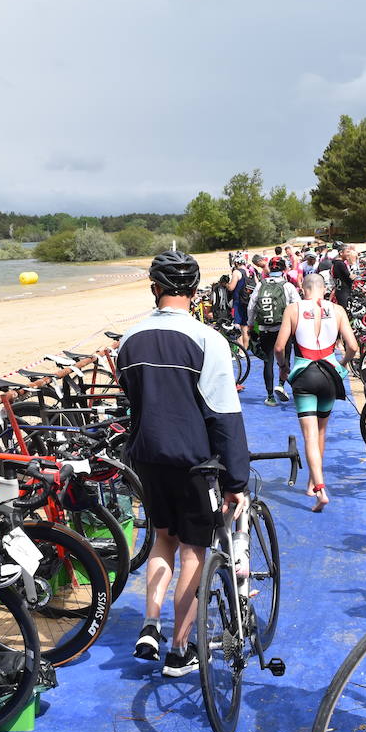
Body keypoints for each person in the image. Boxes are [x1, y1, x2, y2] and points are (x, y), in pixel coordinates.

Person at [117, 251, 250, 676]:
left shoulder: (129, 339)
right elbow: (224, 414)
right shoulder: (208, 340)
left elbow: (132, 400)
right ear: (195, 293)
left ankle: (150, 624)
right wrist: (236, 478)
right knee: (194, 548)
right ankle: (179, 649)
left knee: (162, 540)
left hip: (148, 458)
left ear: (154, 288)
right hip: (194, 461)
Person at [274, 273, 360, 512]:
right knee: (322, 430)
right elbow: (353, 347)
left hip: (304, 373)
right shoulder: (338, 310)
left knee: (310, 435)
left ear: (303, 288)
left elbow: (279, 347)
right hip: (330, 375)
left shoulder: (293, 309)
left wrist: (283, 368)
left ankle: (320, 489)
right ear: (326, 289)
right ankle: (313, 480)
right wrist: (342, 366)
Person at [247, 257, 300, 405]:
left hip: (265, 329)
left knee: (268, 361)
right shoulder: (287, 286)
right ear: (283, 270)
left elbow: (251, 306)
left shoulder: (260, 285)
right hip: (283, 329)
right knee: (285, 358)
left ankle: (270, 396)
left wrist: (251, 325)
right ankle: (281, 385)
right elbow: (297, 306)